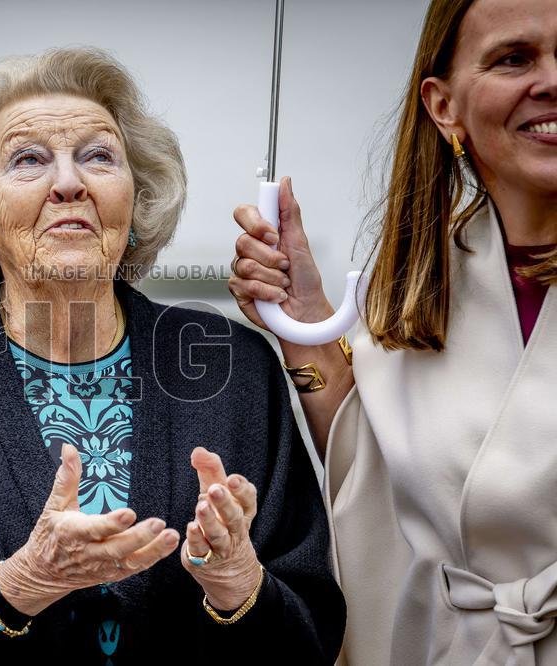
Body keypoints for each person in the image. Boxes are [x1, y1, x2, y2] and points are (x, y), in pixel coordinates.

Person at [0, 46, 345, 664]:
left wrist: (239, 585)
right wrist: (18, 586)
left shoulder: (228, 368)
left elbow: (312, 633)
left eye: (99, 156)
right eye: (28, 159)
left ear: (136, 200)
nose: (69, 183)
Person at [229, 0, 557, 663]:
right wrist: (305, 327)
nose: (550, 79)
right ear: (444, 105)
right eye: (514, 58)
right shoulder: (418, 295)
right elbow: (377, 486)